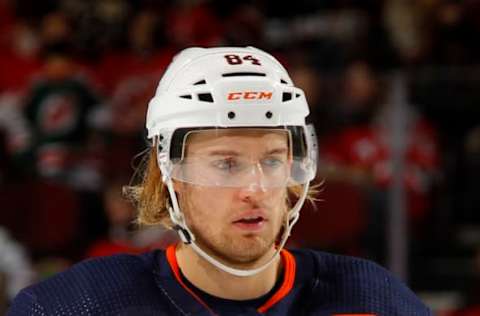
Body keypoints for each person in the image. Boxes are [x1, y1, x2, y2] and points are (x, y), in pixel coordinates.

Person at [8, 47, 432, 315]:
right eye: (226, 164)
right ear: (170, 177)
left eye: (271, 161)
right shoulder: (78, 306)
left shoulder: (374, 299)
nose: (256, 189)